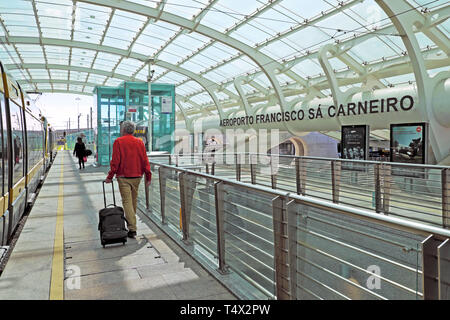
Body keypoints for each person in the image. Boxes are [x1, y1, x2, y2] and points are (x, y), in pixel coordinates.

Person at [105, 120, 151, 239]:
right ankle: (132, 224)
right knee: (133, 201)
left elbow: (115, 162)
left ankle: (132, 229)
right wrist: (148, 176)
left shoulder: (118, 141)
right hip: (137, 176)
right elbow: (145, 160)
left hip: (123, 177)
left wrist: (110, 176)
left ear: (123, 130)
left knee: (127, 202)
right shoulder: (140, 142)